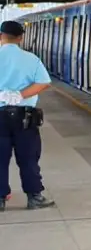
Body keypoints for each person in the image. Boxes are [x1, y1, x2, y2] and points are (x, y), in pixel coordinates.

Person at [0, 20, 55, 210]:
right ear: (20, 38)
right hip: (25, 117)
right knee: (29, 157)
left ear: (1, 36)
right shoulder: (31, 59)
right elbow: (44, 82)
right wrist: (20, 95)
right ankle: (34, 197)